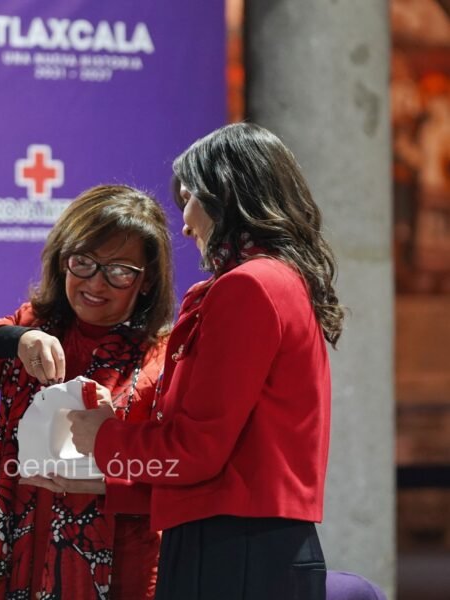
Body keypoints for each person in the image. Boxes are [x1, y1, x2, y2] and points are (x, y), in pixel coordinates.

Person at [69, 123, 344, 600]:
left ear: (226, 196)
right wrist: (105, 479)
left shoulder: (249, 287)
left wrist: (103, 438)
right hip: (243, 546)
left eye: (189, 198)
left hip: (233, 554)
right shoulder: (278, 281)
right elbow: (230, 459)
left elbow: (198, 447)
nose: (185, 223)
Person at [0, 184, 176, 599]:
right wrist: (11, 339)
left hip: (114, 566)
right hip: (10, 551)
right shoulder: (33, 326)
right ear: (62, 262)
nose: (96, 283)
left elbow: (182, 476)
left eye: (120, 271)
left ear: (146, 282)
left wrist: (111, 486)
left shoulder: (162, 360)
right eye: (84, 263)